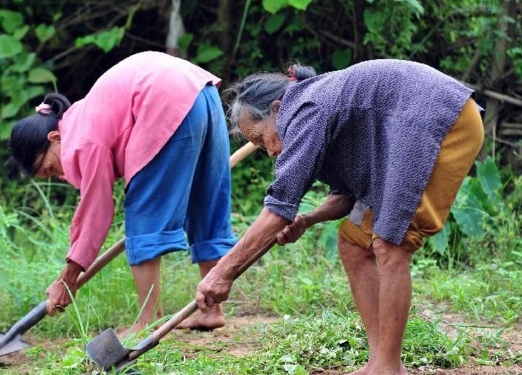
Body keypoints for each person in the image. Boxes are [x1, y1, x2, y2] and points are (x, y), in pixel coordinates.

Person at [195, 59, 484, 375]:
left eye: (262, 139)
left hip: (441, 121)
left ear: (277, 109)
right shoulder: (312, 106)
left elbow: (278, 208)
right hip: (414, 128)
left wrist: (222, 272)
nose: (269, 151)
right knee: (353, 242)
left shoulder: (304, 110)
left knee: (390, 246)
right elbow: (345, 196)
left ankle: (387, 368)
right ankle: (381, 361)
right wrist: (308, 219)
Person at [6, 51, 237, 335]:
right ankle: (211, 310)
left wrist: (68, 277)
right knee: (205, 202)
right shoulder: (85, 117)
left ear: (55, 138)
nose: (59, 175)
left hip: (165, 101)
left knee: (143, 211)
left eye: (51, 168)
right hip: (201, 91)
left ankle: (148, 320)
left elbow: (95, 212)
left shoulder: (80, 139)